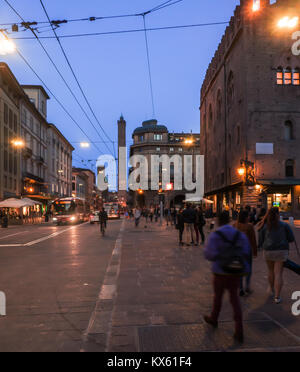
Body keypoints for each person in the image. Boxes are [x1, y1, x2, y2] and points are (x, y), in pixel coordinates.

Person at [204, 211, 251, 344]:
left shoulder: (215, 235)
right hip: (235, 272)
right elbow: (246, 251)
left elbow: (208, 254)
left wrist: (220, 256)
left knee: (217, 297)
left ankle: (214, 318)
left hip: (219, 271)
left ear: (218, 220)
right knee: (234, 299)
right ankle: (239, 329)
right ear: (230, 220)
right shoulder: (238, 234)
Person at [259, 207, 295, 304]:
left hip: (268, 251)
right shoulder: (284, 225)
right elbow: (291, 238)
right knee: (278, 273)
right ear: (278, 214)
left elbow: (261, 240)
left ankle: (271, 289)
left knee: (270, 271)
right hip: (281, 251)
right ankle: (277, 297)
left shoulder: (265, 225)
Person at [234, 210, 258, 297]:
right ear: (245, 217)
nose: (249, 217)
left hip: (237, 251)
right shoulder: (249, 226)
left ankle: (240, 288)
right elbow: (253, 240)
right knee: (248, 269)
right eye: (248, 216)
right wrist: (255, 252)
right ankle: (247, 286)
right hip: (247, 250)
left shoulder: (235, 225)